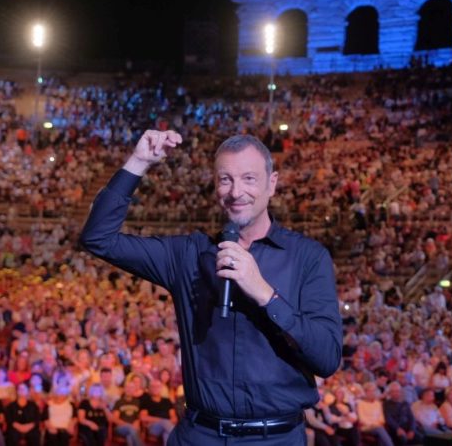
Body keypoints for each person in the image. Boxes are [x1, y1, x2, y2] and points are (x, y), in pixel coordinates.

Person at [80, 131, 343, 445]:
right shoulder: (188, 254)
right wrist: (138, 162)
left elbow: (327, 359)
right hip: (199, 435)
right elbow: (98, 238)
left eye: (248, 178)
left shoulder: (308, 258)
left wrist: (265, 293)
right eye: (225, 180)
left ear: (271, 184)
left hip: (275, 438)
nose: (236, 192)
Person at [139, 378, 177, 445]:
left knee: (166, 433)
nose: (155, 388)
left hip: (167, 426)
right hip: (153, 428)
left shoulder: (167, 401)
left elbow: (174, 418)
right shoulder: (146, 401)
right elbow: (143, 417)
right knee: (165, 422)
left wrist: (167, 421)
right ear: (150, 388)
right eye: (153, 386)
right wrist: (161, 420)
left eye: (157, 386)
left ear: (161, 388)